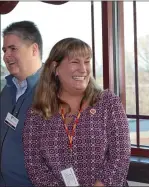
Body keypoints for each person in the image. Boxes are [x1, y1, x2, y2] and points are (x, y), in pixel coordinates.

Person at [22, 37, 131, 186]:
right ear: (55, 67)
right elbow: (34, 165)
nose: (83, 69)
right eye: (75, 62)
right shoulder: (38, 113)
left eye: (87, 61)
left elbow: (120, 156)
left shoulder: (108, 102)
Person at [0, 20, 43, 186]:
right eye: (4, 50)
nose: (6, 55)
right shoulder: (7, 90)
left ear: (34, 50)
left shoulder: (55, 92)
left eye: (13, 48)